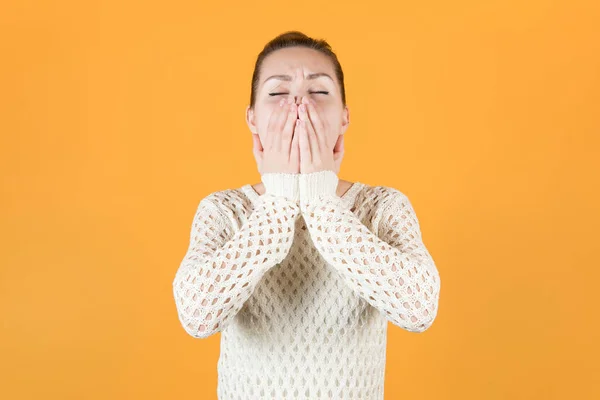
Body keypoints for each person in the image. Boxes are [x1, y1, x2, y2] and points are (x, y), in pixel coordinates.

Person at [172, 30, 441, 400]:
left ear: (344, 117)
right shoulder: (224, 211)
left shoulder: (382, 207)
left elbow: (419, 308)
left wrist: (319, 199)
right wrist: (280, 199)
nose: (300, 106)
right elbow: (197, 315)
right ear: (252, 118)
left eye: (318, 92)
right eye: (279, 93)